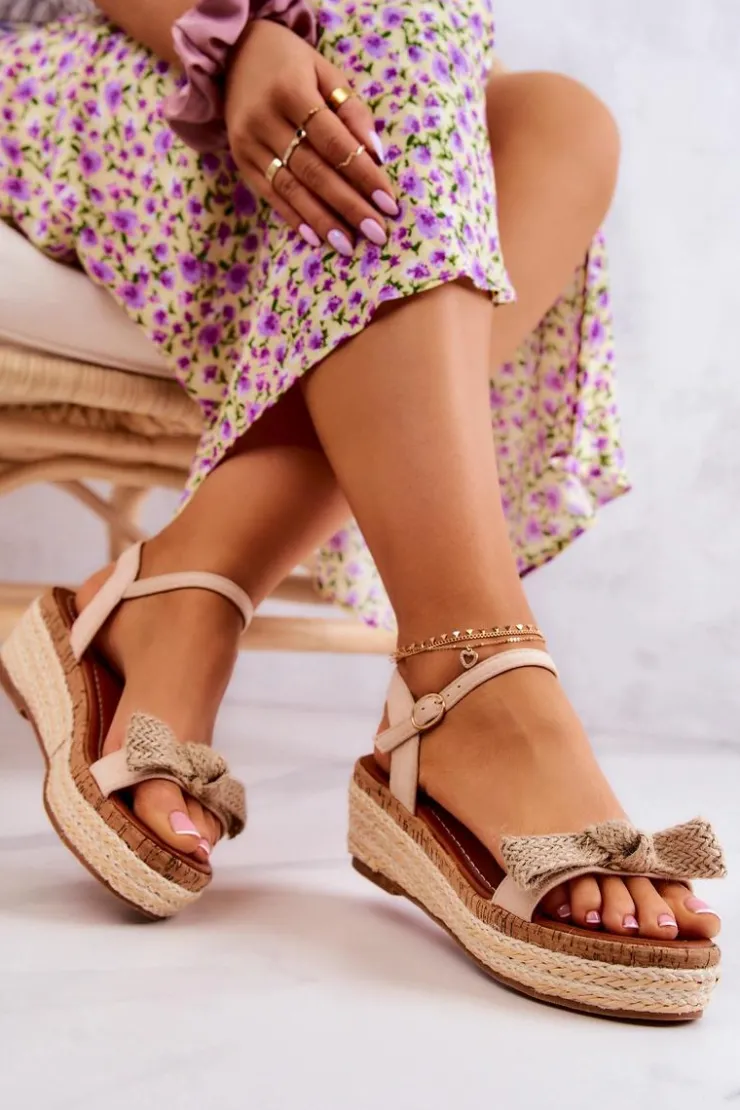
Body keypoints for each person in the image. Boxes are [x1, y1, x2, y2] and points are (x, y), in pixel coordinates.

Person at [0, 0, 726, 1019]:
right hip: (85, 67)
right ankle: (467, 673)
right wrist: (230, 44)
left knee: (559, 123)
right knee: (393, 33)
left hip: (328, 86)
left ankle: (186, 588)